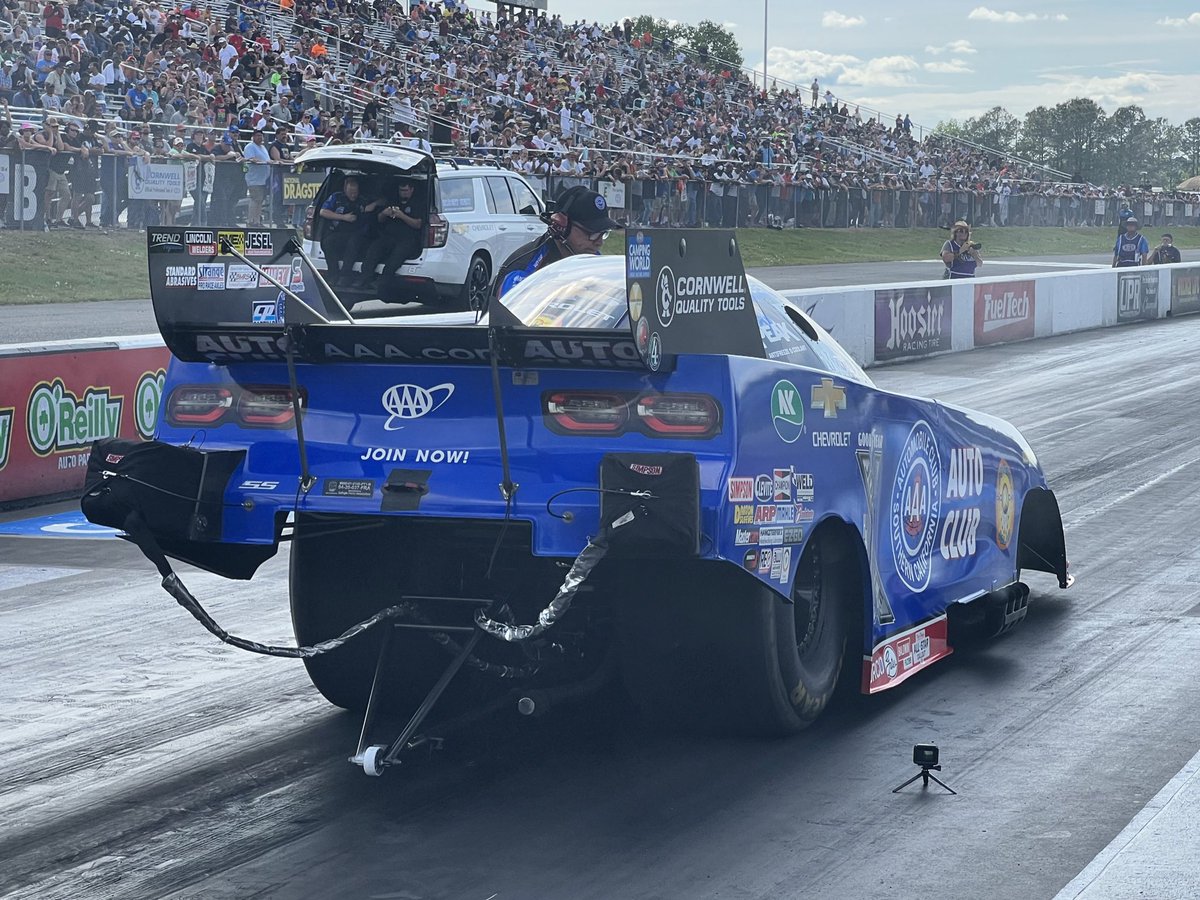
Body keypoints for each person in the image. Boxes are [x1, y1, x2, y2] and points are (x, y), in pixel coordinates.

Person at [493, 186, 620, 301]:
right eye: (592, 233)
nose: (599, 242)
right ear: (560, 226)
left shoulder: (593, 258)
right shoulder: (523, 271)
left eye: (603, 233)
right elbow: (510, 322)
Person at [355, 178, 424, 296]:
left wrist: (402, 215)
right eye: (401, 190)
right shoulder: (393, 200)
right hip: (390, 236)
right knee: (374, 249)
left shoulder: (418, 203)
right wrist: (384, 213)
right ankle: (364, 279)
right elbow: (379, 220)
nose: (403, 193)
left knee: (395, 258)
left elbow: (418, 224)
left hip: (409, 238)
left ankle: (381, 283)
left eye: (406, 190)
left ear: (412, 190)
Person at [318, 175, 382, 285]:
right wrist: (343, 217)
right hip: (339, 232)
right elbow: (323, 212)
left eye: (355, 192)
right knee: (327, 242)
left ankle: (345, 276)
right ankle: (333, 275)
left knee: (354, 242)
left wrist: (377, 203)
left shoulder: (362, 200)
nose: (353, 195)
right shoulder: (336, 198)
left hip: (358, 234)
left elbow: (368, 208)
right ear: (345, 189)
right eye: (351, 192)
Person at [240, 128, 271, 226]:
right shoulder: (250, 147)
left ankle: (257, 220)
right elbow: (252, 159)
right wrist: (265, 162)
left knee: (260, 200)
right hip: (254, 178)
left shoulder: (263, 147)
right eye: (257, 135)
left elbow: (267, 159)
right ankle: (251, 220)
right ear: (253, 137)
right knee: (255, 199)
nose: (260, 137)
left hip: (263, 179)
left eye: (261, 136)